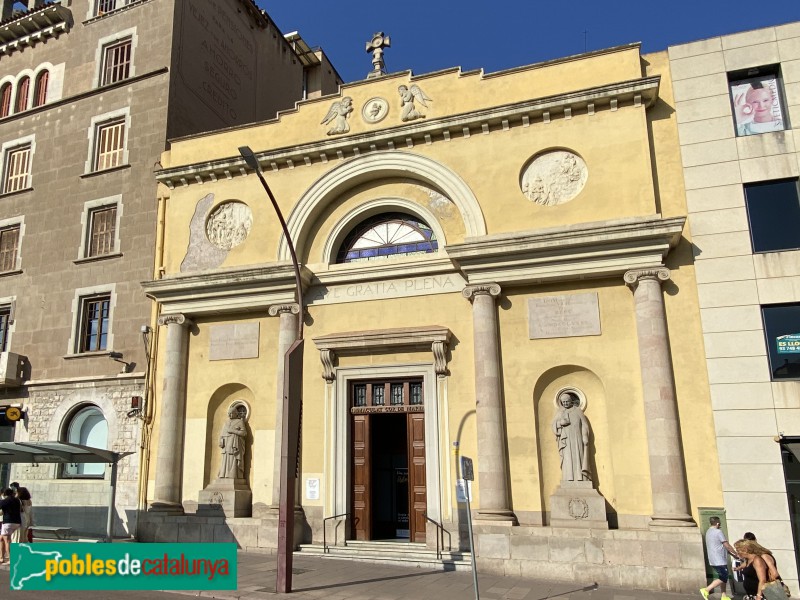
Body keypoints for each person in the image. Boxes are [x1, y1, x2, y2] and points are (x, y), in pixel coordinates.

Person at [551, 391, 591, 481]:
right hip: (566, 440)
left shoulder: (578, 410)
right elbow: (553, 424)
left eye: (567, 401)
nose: (565, 403)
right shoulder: (560, 412)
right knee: (568, 459)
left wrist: (585, 436)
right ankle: (568, 478)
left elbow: (584, 424)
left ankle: (582, 478)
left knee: (579, 457)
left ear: (571, 401)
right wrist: (560, 423)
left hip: (577, 438)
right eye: (563, 402)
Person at [701, 516, 739, 600]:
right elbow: (726, 545)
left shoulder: (708, 532)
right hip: (719, 560)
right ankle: (706, 590)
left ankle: (724, 596)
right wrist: (736, 553)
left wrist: (732, 554)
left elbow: (720, 546)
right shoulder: (718, 532)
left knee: (722, 577)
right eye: (720, 523)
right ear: (718, 523)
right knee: (724, 577)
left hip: (713, 559)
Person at [218, 406, 247, 479]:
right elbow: (222, 434)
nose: (230, 415)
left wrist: (233, 431)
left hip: (234, 444)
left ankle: (232, 475)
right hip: (226, 444)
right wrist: (221, 441)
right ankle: (223, 474)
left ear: (235, 413)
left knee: (232, 459)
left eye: (231, 413)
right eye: (229, 413)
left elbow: (244, 433)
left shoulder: (239, 422)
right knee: (225, 459)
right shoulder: (226, 422)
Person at [0, 488, 22, 564]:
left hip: (8, 522)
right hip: (17, 522)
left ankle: (11, 559)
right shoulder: (17, 500)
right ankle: (1, 557)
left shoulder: (5, 501)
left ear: (4, 494)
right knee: (1, 539)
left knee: (7, 541)